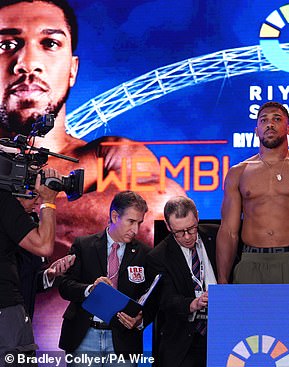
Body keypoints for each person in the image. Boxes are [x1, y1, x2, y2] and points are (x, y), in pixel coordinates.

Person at [0, 0, 185, 259]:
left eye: (50, 43)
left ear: (73, 69)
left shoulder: (105, 156)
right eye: (6, 45)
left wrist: (38, 206)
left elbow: (158, 215)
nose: (28, 64)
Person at [216, 101, 289, 306]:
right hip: (250, 262)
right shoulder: (238, 172)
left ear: (288, 128)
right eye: (264, 120)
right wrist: (222, 280)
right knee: (248, 334)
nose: (269, 124)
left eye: (277, 119)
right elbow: (228, 231)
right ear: (256, 130)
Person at [58, 191, 153, 365]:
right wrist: (90, 290)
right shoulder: (83, 246)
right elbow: (64, 285)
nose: (136, 230)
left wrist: (140, 319)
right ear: (115, 216)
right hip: (84, 336)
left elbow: (153, 298)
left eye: (139, 223)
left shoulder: (146, 254)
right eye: (131, 222)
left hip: (124, 342)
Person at [147, 196, 218, 367]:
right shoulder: (158, 256)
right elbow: (165, 299)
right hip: (185, 338)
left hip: (222, 330)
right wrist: (193, 303)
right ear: (168, 226)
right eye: (178, 232)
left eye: (191, 229)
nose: (187, 237)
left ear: (197, 217)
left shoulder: (217, 236)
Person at [0, 167, 59, 366]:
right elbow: (44, 245)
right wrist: (49, 201)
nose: (36, 200)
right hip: (5, 311)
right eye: (32, 193)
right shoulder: (5, 202)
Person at [16, 192, 75, 319]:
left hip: (21, 322)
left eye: (39, 196)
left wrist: (48, 275)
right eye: (32, 195)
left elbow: (24, 281)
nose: (37, 202)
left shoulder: (31, 224)